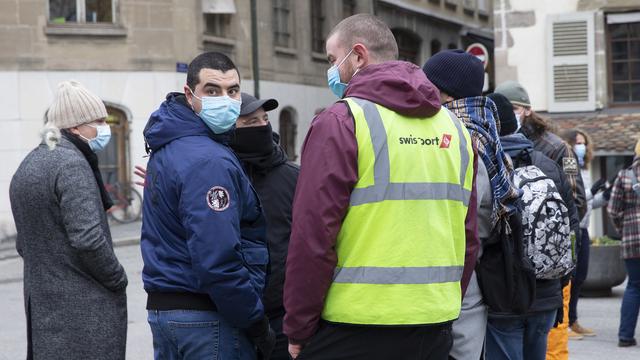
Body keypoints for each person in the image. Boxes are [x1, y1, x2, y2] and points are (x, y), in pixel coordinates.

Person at [284, 14, 478, 360]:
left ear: (358, 56)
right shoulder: (457, 130)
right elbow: (468, 238)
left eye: (332, 59)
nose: (330, 69)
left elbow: (313, 236)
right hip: (433, 324)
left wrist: (298, 327)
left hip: (355, 325)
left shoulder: (342, 121)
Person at [140, 52, 275, 359]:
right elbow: (218, 260)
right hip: (207, 316)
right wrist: (255, 323)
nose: (225, 99)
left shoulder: (171, 143)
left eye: (233, 91)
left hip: (169, 312)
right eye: (212, 91)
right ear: (190, 95)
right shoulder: (209, 160)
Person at [9, 80, 128, 359]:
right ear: (75, 127)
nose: (104, 127)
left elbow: (23, 244)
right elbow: (88, 239)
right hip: (84, 312)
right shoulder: (72, 164)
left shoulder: (31, 162)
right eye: (98, 120)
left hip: (45, 309)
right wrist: (117, 277)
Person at [422, 50, 522, 360]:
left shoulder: (460, 135)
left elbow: (476, 211)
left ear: (443, 91)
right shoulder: (486, 129)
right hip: (468, 271)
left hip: (460, 273)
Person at [495, 80, 587, 360]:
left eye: (515, 108)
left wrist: (564, 268)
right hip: (539, 278)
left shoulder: (556, 148)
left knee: (552, 346)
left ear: (527, 110)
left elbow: (576, 205)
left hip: (543, 271)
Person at [562, 129, 610, 339]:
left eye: (583, 143)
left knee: (580, 277)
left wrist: (606, 196)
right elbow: (576, 198)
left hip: (584, 227)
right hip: (573, 228)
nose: (581, 147)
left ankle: (573, 320)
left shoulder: (585, 168)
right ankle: (564, 324)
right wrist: (592, 193)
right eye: (577, 143)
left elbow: (590, 202)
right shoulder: (568, 167)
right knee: (569, 278)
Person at [607, 139, 640, 348]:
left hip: (632, 240)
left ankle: (625, 337)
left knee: (634, 286)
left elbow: (613, 210)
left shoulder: (625, 175)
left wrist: (624, 229)